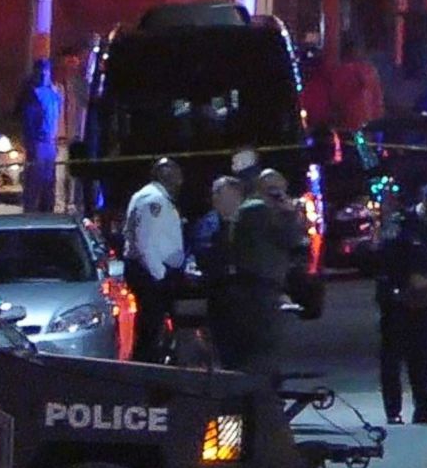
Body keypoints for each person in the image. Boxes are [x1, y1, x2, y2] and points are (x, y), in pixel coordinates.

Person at [375, 184, 427, 426]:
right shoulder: (400, 223)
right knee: (392, 357)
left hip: (422, 299)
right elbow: (384, 260)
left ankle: (424, 409)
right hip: (396, 300)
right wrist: (404, 283)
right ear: (425, 204)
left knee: (421, 357)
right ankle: (393, 411)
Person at [229, 169, 305, 372]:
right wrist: (289, 213)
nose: (280, 194)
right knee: (264, 348)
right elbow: (292, 239)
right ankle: (262, 395)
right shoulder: (257, 210)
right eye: (276, 190)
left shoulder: (256, 209)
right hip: (259, 287)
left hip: (262, 285)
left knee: (263, 347)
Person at [123, 159, 185, 364]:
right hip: (150, 275)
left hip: (151, 272)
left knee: (152, 328)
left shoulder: (152, 197)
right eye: (175, 174)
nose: (180, 180)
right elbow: (145, 242)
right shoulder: (153, 200)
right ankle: (146, 371)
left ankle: (150, 366)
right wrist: (160, 275)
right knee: (150, 330)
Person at [191, 176, 244, 368]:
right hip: (221, 293)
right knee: (225, 344)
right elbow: (204, 256)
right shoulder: (208, 226)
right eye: (228, 196)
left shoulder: (245, 222)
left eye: (236, 196)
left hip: (245, 294)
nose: (234, 201)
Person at [15, 59, 62, 213]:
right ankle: (30, 215)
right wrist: (31, 143)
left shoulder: (54, 92)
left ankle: (47, 212)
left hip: (50, 142)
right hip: (38, 143)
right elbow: (29, 121)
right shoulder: (32, 94)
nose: (43, 74)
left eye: (46, 71)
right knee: (34, 182)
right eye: (40, 71)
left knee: (49, 183)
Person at [55, 45, 89, 214]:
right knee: (59, 176)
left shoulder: (81, 86)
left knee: (74, 175)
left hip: (76, 137)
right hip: (60, 139)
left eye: (74, 62)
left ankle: (72, 204)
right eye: (69, 62)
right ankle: (59, 205)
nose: (72, 66)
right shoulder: (56, 85)